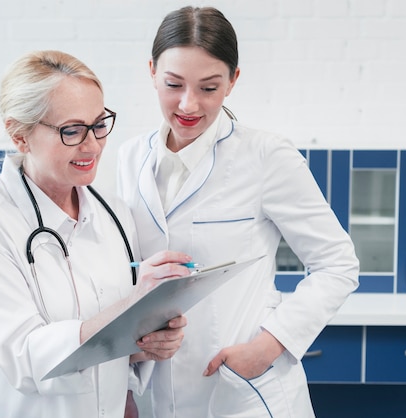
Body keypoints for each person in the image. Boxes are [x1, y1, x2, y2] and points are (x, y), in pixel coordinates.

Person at [117, 6, 360, 418]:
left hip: (241, 393)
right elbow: (127, 273)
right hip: (155, 391)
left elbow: (337, 263)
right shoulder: (129, 158)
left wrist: (268, 346)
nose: (188, 104)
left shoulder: (265, 156)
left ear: (233, 81)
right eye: (173, 84)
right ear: (152, 71)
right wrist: (125, 374)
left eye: (209, 88)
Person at [0, 50, 192, 417]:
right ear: (19, 135)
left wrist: (147, 341)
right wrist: (134, 304)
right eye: (71, 130)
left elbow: (110, 345)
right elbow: (25, 357)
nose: (92, 145)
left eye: (99, 124)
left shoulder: (114, 215)